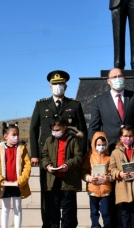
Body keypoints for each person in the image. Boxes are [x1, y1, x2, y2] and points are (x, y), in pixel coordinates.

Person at [30, 70, 87, 228]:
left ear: (66, 86)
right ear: (50, 87)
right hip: (47, 156)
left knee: (69, 195)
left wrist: (80, 157)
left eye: (60, 84)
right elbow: (33, 130)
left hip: (69, 157)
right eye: (55, 84)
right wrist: (35, 155)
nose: (57, 87)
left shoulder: (74, 105)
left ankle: (69, 224)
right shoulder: (41, 105)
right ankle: (48, 223)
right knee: (48, 194)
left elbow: (83, 131)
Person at [89, 68, 134, 151]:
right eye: (114, 77)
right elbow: (93, 127)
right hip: (109, 149)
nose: (117, 79)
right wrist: (94, 147)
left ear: (124, 78)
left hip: (131, 148)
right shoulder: (99, 101)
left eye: (120, 76)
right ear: (108, 81)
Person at [41, 117, 84, 228]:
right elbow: (44, 156)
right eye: (53, 130)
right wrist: (47, 165)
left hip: (68, 180)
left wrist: (67, 165)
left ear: (64, 127)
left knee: (67, 209)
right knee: (53, 207)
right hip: (53, 179)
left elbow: (78, 157)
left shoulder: (73, 140)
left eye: (57, 129)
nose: (55, 132)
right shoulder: (49, 140)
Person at [0, 122, 32, 228]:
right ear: (5, 136)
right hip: (5, 185)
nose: (16, 137)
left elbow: (27, 166)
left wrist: (21, 180)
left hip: (18, 185)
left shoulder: (22, 148)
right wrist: (0, 180)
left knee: (18, 207)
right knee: (5, 208)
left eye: (17, 134)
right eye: (13, 134)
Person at [109, 126, 134, 228]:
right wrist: (119, 173)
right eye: (125, 136)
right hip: (123, 187)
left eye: (130, 136)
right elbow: (111, 168)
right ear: (120, 137)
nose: (128, 138)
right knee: (125, 213)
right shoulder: (115, 152)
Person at [82, 132, 113, 228]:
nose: (101, 147)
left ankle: (107, 225)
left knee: (106, 211)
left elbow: (114, 172)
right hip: (93, 189)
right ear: (94, 144)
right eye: (98, 145)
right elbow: (83, 171)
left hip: (105, 189)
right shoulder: (89, 158)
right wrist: (89, 178)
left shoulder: (109, 158)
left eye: (103, 145)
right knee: (94, 211)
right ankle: (95, 225)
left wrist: (108, 178)